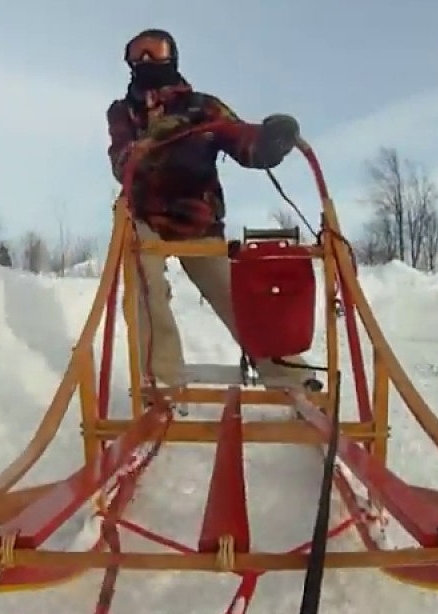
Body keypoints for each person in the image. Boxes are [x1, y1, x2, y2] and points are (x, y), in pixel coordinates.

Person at [106, 28, 321, 398]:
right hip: (145, 217)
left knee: (237, 296)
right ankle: (162, 381)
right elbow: (121, 161)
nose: (145, 60)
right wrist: (152, 142)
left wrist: (268, 142)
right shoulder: (123, 111)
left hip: (196, 218)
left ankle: (289, 375)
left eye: (155, 50)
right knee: (145, 285)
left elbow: (240, 138)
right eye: (137, 52)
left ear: (172, 56)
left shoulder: (202, 107)